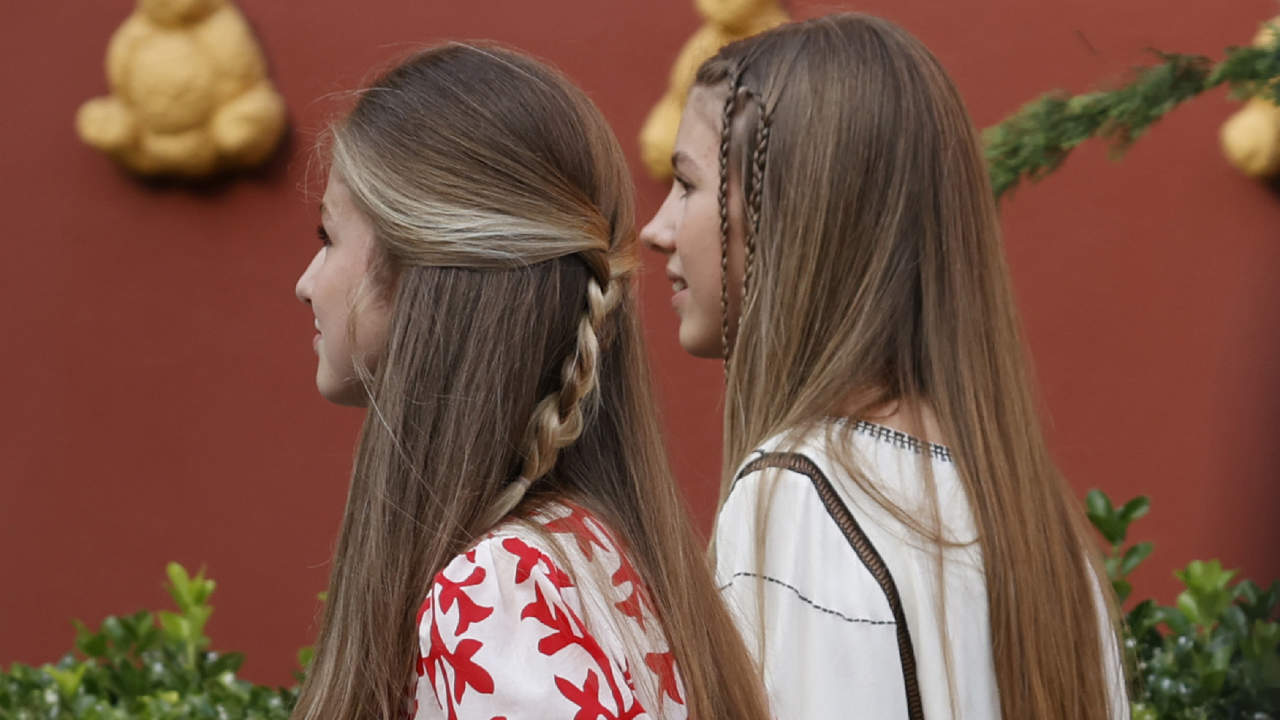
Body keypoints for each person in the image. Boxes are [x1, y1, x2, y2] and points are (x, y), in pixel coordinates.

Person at [640, 13, 1128, 720]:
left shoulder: (795, 500)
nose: (656, 230)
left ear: (792, 214)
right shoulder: (1041, 527)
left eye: (686, 185)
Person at [291, 43, 770, 720]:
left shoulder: (494, 596)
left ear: (419, 259)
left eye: (329, 236)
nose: (306, 283)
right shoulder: (594, 546)